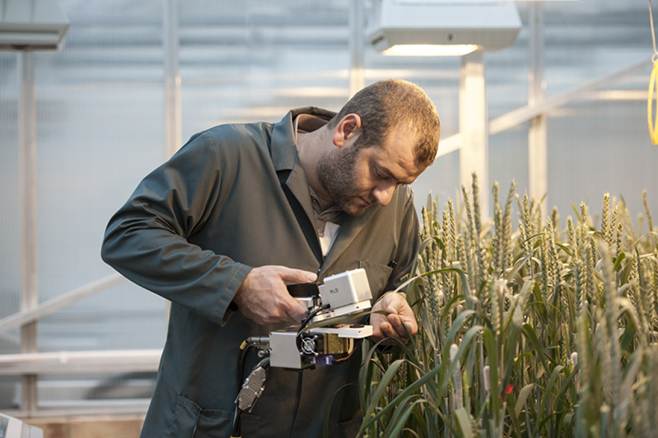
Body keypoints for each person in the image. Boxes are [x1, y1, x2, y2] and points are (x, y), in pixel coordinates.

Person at [101, 78, 440, 438]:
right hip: (209, 425)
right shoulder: (226, 156)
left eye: (401, 183)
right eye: (381, 173)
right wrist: (237, 285)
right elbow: (128, 235)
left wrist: (391, 313)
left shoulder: (396, 210)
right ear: (347, 130)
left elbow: (402, 290)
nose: (385, 196)